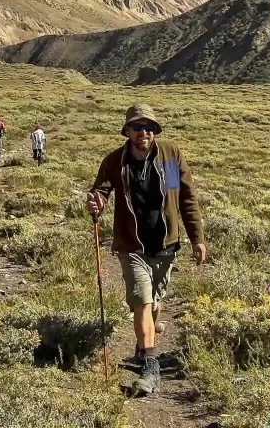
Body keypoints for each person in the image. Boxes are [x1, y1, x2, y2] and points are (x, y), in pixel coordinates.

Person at [87, 104, 206, 397]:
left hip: (166, 244)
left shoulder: (170, 156)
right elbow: (100, 191)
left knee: (154, 303)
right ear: (127, 130)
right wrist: (96, 203)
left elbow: (186, 199)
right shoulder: (116, 161)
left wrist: (197, 238)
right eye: (138, 127)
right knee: (141, 300)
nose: (144, 133)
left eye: (149, 127)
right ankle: (150, 369)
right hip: (132, 246)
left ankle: (143, 347)